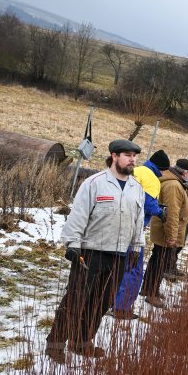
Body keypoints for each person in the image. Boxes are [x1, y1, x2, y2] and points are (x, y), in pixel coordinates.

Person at [46, 139, 145, 362]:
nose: (133, 159)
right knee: (76, 298)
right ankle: (55, 343)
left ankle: (82, 341)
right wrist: (72, 244)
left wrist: (137, 247)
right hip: (91, 252)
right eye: (128, 155)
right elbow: (79, 214)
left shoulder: (136, 188)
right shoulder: (94, 183)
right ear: (114, 156)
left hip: (119, 254)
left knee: (100, 302)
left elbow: (138, 222)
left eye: (135, 155)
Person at [112, 150, 169, 320]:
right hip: (132, 230)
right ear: (161, 169)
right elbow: (148, 204)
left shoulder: (136, 171)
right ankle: (121, 307)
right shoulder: (152, 178)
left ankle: (109, 299)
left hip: (113, 224)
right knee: (133, 270)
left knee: (114, 266)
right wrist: (160, 212)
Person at [142, 158, 188, 306]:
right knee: (160, 263)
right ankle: (152, 293)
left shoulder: (174, 182)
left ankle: (147, 288)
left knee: (157, 260)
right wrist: (172, 237)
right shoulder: (174, 185)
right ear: (185, 172)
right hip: (166, 231)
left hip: (165, 229)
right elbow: (172, 213)